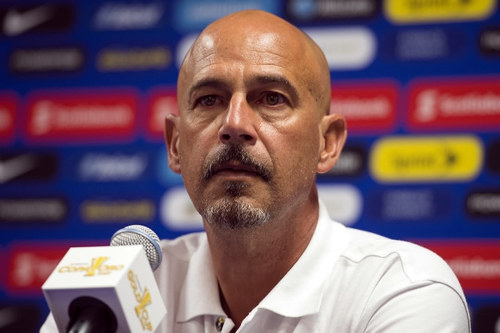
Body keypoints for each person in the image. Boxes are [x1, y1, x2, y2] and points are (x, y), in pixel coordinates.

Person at [41, 9, 470, 332]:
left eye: (271, 99)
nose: (234, 125)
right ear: (175, 144)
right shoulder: (120, 292)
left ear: (328, 144)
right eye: (209, 99)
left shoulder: (401, 291)